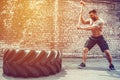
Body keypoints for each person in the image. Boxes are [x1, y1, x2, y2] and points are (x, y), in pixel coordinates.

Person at [77, 1, 115, 70]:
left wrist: (81, 27)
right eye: (90, 16)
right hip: (92, 38)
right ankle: (83, 63)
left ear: (95, 14)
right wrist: (80, 15)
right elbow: (84, 22)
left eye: (91, 15)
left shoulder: (100, 22)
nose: (90, 17)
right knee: (85, 49)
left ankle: (111, 64)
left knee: (107, 52)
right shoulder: (91, 19)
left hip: (100, 38)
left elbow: (91, 28)